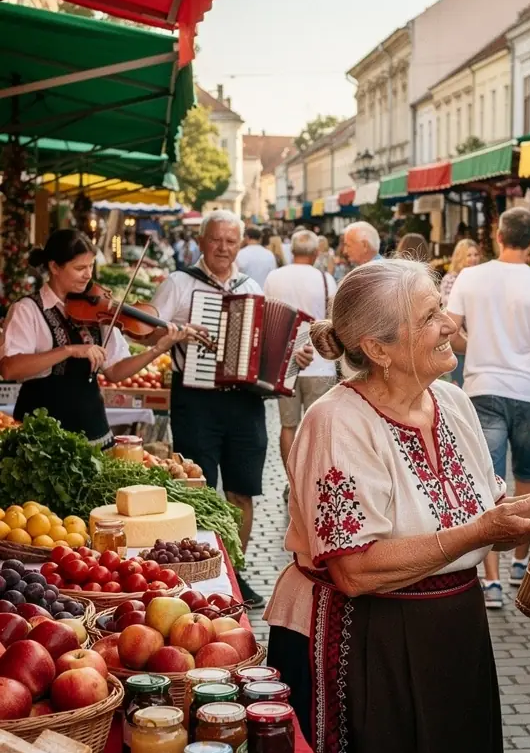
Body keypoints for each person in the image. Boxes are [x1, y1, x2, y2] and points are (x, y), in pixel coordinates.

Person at [268, 257, 530, 753]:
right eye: (428, 316)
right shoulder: (335, 419)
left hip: (449, 639)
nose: (448, 322)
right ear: (379, 347)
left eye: (441, 308)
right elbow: (355, 567)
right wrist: (482, 528)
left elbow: (480, 522)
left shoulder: (451, 403)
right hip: (359, 647)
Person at [152, 210, 273, 606]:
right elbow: (150, 331)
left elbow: (265, 348)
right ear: (202, 242)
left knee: (242, 493)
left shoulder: (252, 286)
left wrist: (291, 361)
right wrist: (176, 334)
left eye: (231, 241)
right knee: (198, 490)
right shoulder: (180, 282)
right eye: (216, 240)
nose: (223, 248)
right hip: (196, 400)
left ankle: (234, 572)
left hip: (244, 403)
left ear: (240, 245)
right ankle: (197, 575)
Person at [446, 207, 530, 607]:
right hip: (529, 391)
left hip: (482, 389)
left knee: (488, 482)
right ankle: (520, 560)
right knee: (528, 476)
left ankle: (490, 580)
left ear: (497, 236)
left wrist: (474, 343)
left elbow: (447, 329)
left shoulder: (470, 276)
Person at [1, 229, 193, 446]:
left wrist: (157, 349)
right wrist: (70, 350)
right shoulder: (27, 310)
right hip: (39, 431)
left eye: (91, 266)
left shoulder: (96, 307)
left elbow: (115, 371)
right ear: (54, 267)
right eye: (80, 268)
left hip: (92, 429)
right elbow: (10, 368)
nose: (88, 275)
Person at [264, 227, 337, 469]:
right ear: (317, 252)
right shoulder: (326, 279)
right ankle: (313, 482)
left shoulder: (274, 277)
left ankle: (292, 483)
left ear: (292, 250)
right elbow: (333, 319)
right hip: (320, 364)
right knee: (318, 428)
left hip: (285, 364)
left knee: (288, 425)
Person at [440, 239, 481, 389]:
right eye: (468, 255)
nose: (473, 258)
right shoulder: (451, 280)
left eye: (476, 254)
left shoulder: (480, 278)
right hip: (460, 341)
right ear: (459, 257)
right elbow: (449, 313)